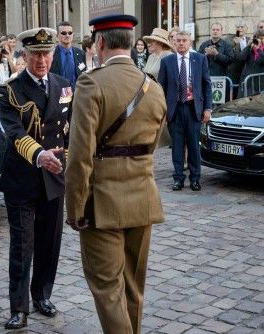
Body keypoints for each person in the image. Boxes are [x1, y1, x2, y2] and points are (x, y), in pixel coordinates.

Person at [65, 14, 166, 334]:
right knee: (133, 288)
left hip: (102, 204)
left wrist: (75, 209)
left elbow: (79, 156)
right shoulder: (154, 87)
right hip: (143, 199)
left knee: (108, 289)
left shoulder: (91, 82)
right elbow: (156, 142)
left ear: (101, 43)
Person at [0, 27, 72, 330]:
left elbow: (72, 128)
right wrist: (40, 154)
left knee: (49, 243)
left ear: (53, 54)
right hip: (23, 178)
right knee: (22, 245)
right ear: (25, 56)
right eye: (35, 54)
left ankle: (42, 295)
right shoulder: (9, 91)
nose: (41, 60)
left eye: (46, 53)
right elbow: (14, 133)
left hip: (55, 177)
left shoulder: (65, 86)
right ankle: (19, 308)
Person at [158, 31, 212, 191]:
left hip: (193, 108)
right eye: (178, 40)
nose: (181, 43)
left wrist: (208, 108)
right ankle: (178, 178)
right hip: (174, 109)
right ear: (174, 43)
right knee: (177, 146)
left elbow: (206, 85)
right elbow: (161, 88)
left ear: (190, 42)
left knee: (194, 145)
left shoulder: (200, 59)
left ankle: (195, 178)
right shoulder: (167, 61)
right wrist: (163, 111)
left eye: (184, 40)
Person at [50, 21, 86, 89]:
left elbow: (83, 75)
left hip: (78, 95)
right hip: (59, 95)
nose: (67, 35)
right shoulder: (51, 55)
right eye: (63, 33)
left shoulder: (81, 53)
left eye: (70, 33)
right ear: (57, 36)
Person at [237, 28, 264, 97]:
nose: (260, 41)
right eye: (257, 38)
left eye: (262, 38)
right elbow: (240, 58)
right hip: (247, 83)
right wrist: (248, 46)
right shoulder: (250, 49)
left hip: (259, 84)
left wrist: (259, 50)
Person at [227, 20, 250, 98]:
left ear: (247, 29)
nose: (240, 29)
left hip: (246, 72)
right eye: (238, 27)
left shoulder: (250, 40)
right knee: (233, 95)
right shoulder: (229, 40)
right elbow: (232, 55)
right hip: (234, 72)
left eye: (242, 27)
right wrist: (236, 45)